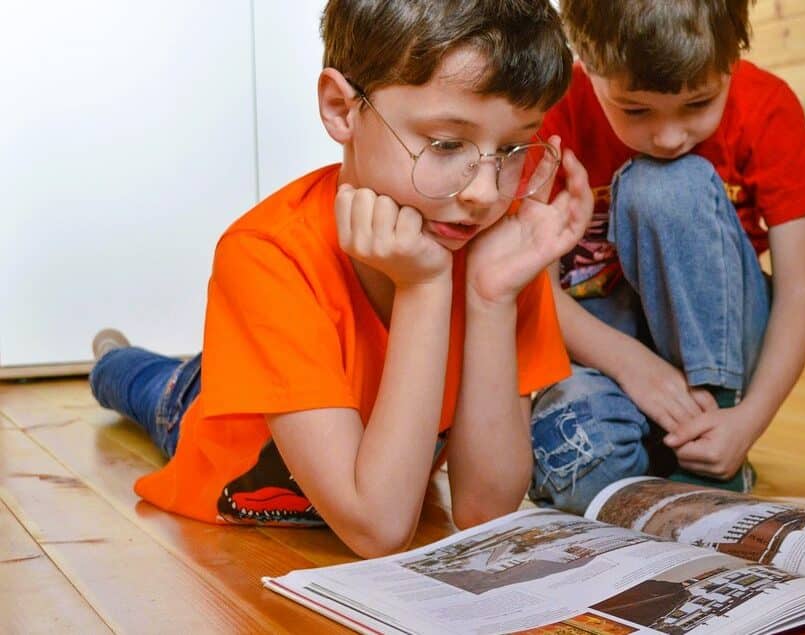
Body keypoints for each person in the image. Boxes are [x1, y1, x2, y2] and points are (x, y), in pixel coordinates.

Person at [89, 0, 591, 558]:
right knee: (148, 384)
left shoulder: (495, 250)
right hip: (209, 416)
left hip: (301, 374)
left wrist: (491, 298)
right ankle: (113, 355)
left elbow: (484, 511)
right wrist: (423, 289)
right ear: (340, 108)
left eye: (514, 148)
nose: (484, 193)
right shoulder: (265, 255)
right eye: (448, 145)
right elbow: (378, 529)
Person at [527, 0, 805, 514]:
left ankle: (711, 443)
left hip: (727, 347)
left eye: (698, 104)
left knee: (665, 186)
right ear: (584, 58)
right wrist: (629, 365)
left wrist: (746, 421)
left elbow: (801, 291)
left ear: (733, 56)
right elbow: (530, 288)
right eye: (636, 109)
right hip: (600, 342)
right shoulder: (550, 113)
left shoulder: (769, 105)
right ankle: (660, 454)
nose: (669, 136)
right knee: (578, 467)